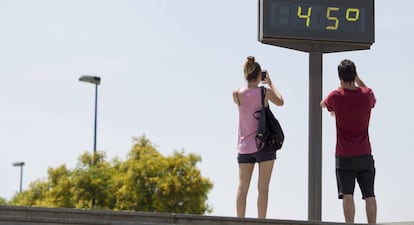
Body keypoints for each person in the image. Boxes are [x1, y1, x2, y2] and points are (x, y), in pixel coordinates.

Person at [321, 59, 377, 224]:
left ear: (340, 77)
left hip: (344, 155)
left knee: (347, 195)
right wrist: (358, 80)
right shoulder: (367, 95)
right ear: (355, 74)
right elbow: (369, 94)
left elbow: (323, 104)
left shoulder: (337, 96)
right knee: (370, 195)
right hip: (365, 153)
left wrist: (340, 92)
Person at [232, 56, 284, 218]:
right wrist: (270, 83)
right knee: (263, 188)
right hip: (264, 144)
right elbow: (281, 102)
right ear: (259, 76)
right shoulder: (265, 92)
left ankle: (240, 221)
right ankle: (261, 221)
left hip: (244, 147)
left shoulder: (237, 94)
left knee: (242, 187)